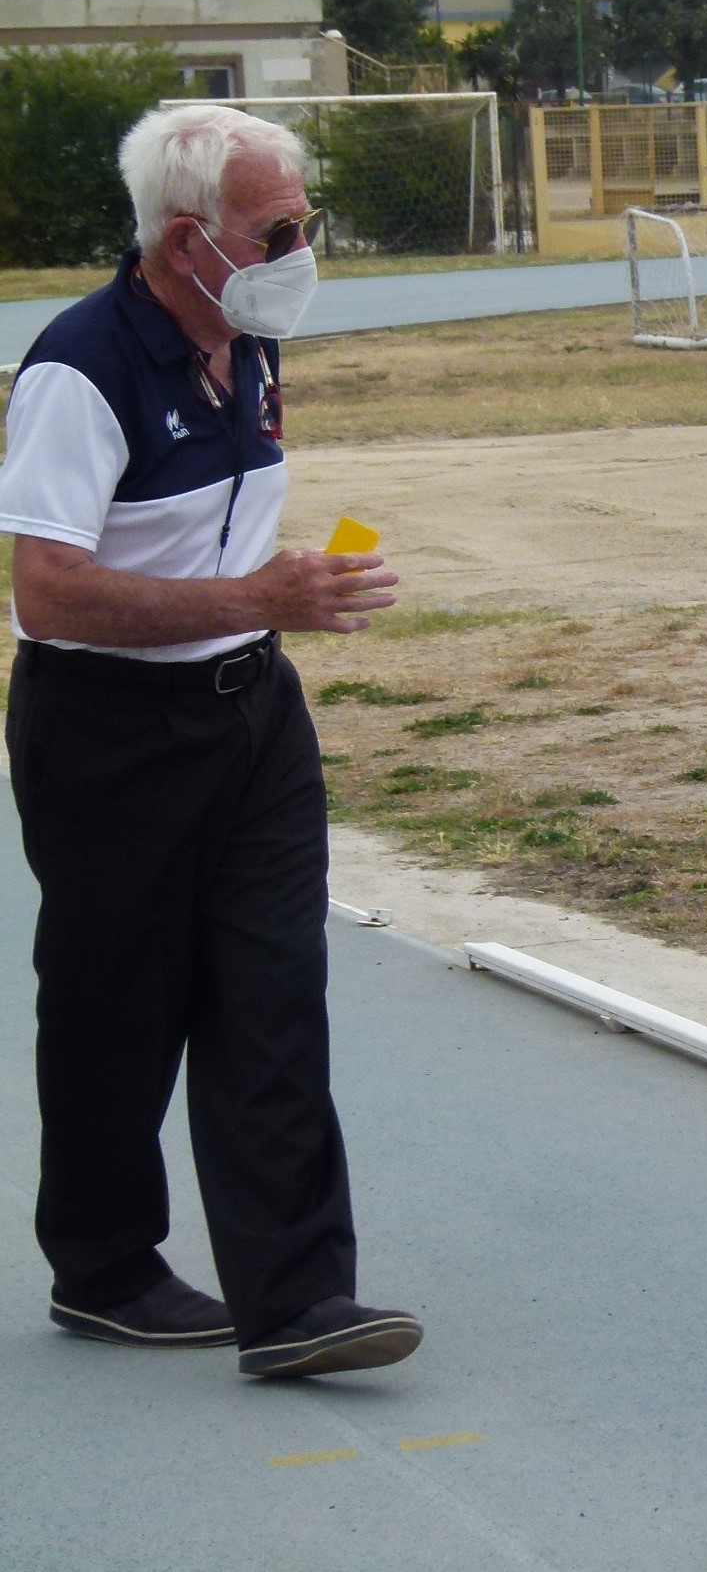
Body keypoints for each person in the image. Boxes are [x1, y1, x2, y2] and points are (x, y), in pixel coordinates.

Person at [0, 103, 423, 1381]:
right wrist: (252, 593)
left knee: (273, 991)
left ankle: (299, 1298)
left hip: (253, 713)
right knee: (116, 1005)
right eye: (277, 230)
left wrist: (279, 601)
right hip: (107, 728)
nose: (303, 251)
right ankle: (105, 1268)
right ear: (189, 240)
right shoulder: (79, 367)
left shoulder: (251, 339)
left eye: (305, 222)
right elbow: (47, 593)